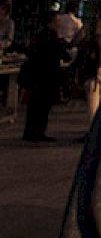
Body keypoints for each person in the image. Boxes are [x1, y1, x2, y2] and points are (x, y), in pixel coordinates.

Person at [18, 11, 70, 142]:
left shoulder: (40, 35)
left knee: (36, 104)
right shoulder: (51, 37)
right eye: (57, 21)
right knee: (42, 105)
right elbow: (59, 53)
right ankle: (37, 131)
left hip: (38, 75)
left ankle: (31, 131)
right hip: (47, 75)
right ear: (52, 22)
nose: (59, 24)